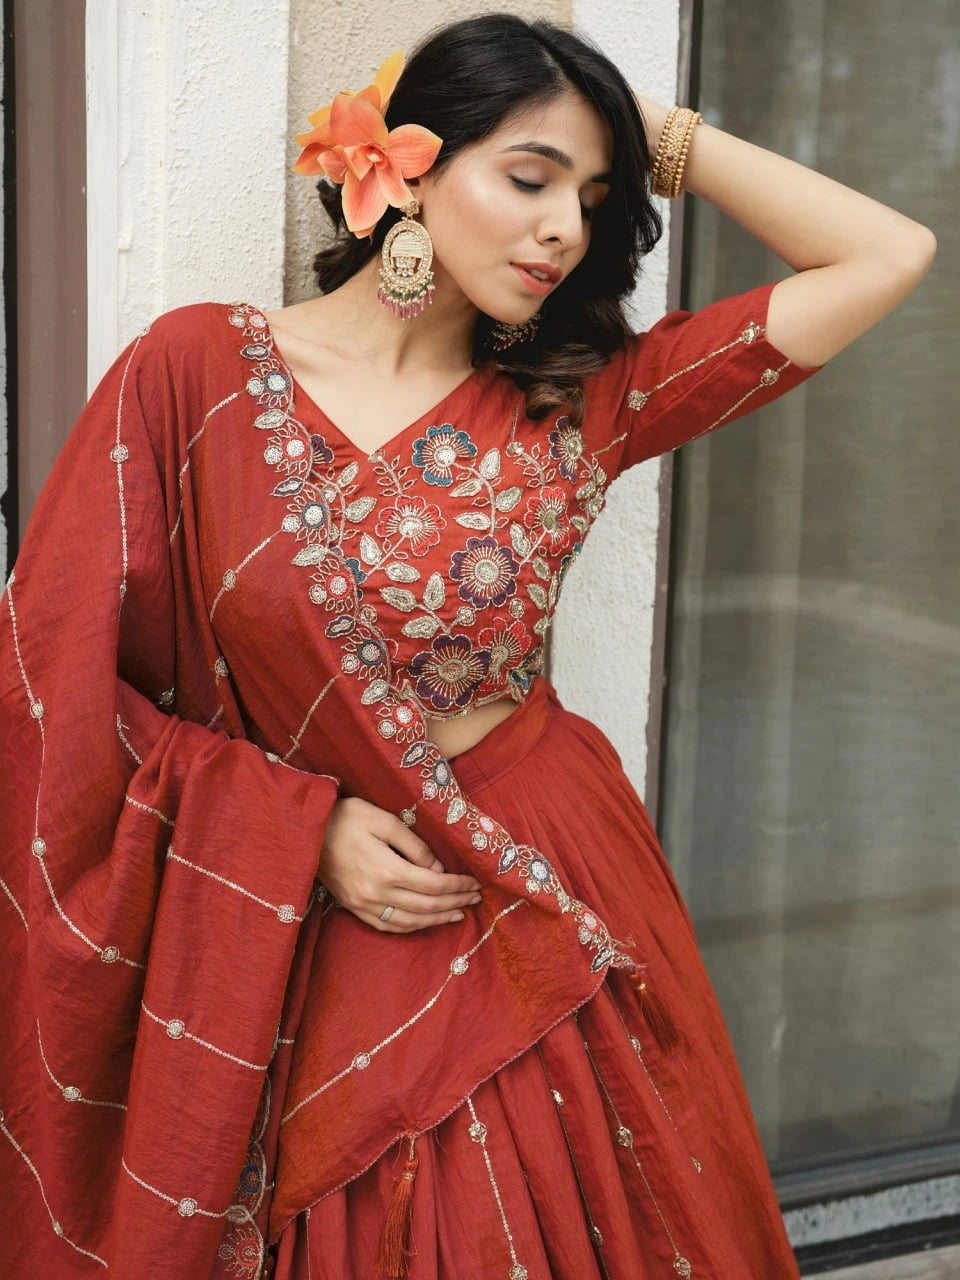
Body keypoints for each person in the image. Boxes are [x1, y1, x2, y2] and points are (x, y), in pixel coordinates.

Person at [0, 13, 936, 1280]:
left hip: (537, 874)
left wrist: (656, 135)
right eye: (531, 178)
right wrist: (296, 824)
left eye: (593, 200)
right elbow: (49, 682)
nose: (565, 229)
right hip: (301, 915)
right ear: (409, 166)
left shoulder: (586, 396)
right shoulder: (196, 373)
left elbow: (889, 254)